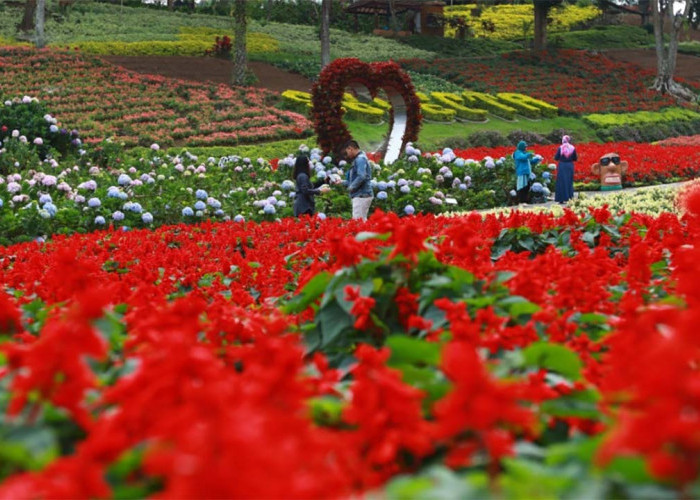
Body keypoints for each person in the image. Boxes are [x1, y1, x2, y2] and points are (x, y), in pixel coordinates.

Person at [344, 140, 373, 220]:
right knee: (362, 221)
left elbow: (361, 176)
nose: (347, 155)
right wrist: (342, 182)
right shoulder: (360, 158)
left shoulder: (360, 159)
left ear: (350, 149)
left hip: (361, 195)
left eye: (347, 152)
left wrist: (351, 187)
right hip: (362, 194)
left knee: (358, 222)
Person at [554, 135, 578, 203]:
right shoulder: (572, 148)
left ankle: (561, 199)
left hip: (562, 165)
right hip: (569, 165)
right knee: (569, 181)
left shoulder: (561, 148)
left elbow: (556, 158)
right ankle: (569, 197)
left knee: (561, 182)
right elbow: (575, 158)